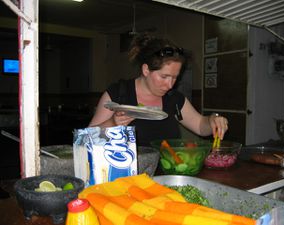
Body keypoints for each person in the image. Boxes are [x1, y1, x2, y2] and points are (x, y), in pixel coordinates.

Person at [89, 33, 228, 146]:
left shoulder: (174, 98)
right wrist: (112, 123)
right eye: (164, 76)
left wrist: (212, 120)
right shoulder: (118, 93)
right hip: (127, 175)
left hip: (167, 173)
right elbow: (86, 138)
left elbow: (200, 126)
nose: (170, 85)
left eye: (175, 77)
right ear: (146, 70)